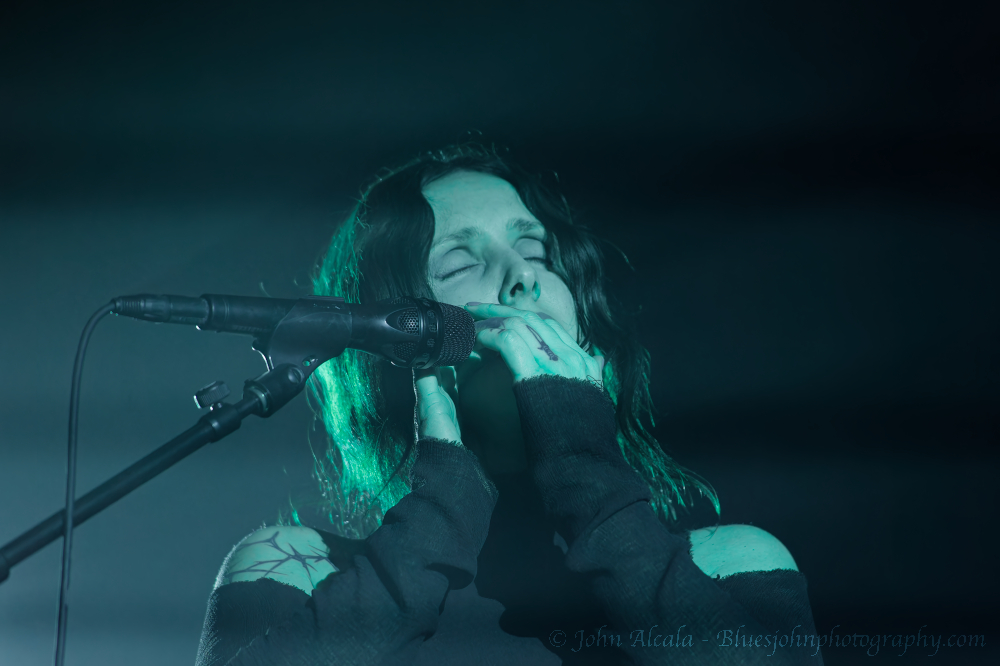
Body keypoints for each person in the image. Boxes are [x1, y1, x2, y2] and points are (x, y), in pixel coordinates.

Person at [195, 144, 823, 665]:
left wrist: (582, 456)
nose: (521, 275)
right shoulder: (299, 569)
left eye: (537, 252)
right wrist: (444, 495)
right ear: (394, 336)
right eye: (462, 261)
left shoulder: (727, 562)